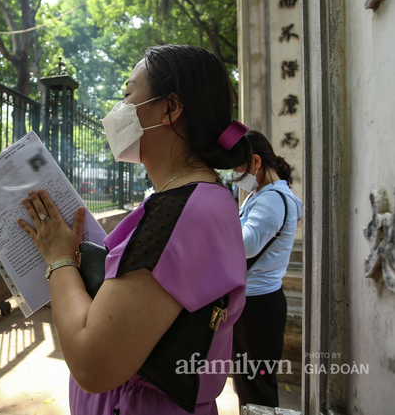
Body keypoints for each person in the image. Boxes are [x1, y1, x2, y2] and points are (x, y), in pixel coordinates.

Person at [17, 45, 253, 414]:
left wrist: (58, 258)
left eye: (127, 94)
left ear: (169, 109)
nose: (118, 110)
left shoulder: (180, 213)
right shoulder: (201, 198)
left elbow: (92, 364)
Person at [231, 131, 303, 408]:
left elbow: (247, 244)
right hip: (255, 302)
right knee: (249, 384)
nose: (237, 176)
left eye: (239, 168)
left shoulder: (272, 198)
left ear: (256, 162)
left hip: (259, 306)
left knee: (257, 387)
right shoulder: (262, 194)